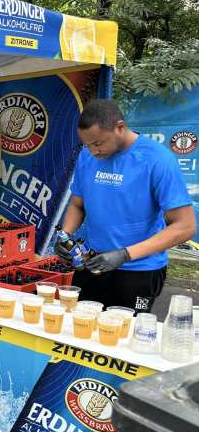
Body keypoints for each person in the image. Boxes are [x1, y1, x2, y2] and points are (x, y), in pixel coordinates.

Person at [57, 99, 195, 312]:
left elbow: (185, 226)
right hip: (91, 264)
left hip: (138, 269)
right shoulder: (87, 156)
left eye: (98, 143)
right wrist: (64, 236)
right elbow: (77, 204)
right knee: (80, 332)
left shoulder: (157, 159)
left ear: (119, 127)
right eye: (87, 145)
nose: (93, 152)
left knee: (123, 337)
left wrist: (124, 254)